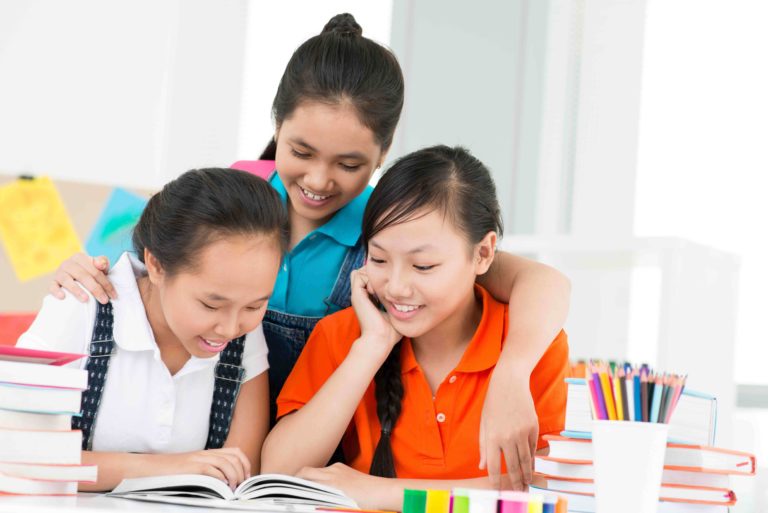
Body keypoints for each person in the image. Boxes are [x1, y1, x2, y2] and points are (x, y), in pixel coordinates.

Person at [47, 13, 570, 488]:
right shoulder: (232, 198)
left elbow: (540, 282)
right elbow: (137, 272)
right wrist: (79, 270)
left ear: (383, 155)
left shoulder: (388, 233)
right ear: (277, 128)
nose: (318, 180)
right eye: (300, 151)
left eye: (349, 164)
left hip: (309, 464)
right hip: (208, 456)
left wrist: (512, 372)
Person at [261, 146, 569, 510]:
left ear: (483, 254)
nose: (396, 287)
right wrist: (372, 347)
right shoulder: (343, 335)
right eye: (378, 259)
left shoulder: (532, 342)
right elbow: (279, 474)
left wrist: (382, 492)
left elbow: (548, 490)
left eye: (423, 266)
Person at [17, 169, 288, 491]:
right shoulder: (80, 306)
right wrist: (171, 468)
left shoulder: (243, 334)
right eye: (210, 305)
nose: (230, 328)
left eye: (254, 306)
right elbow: (18, 453)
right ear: (157, 265)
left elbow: (237, 471)